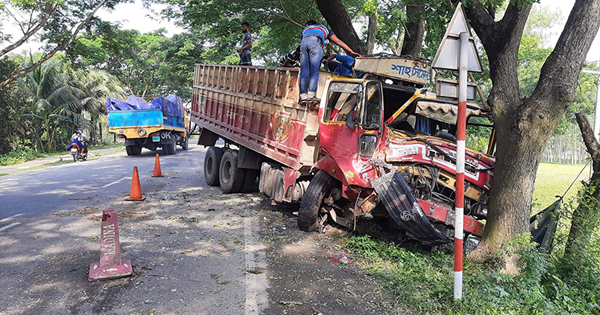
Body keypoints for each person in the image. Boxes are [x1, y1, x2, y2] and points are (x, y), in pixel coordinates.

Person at [299, 20, 360, 104]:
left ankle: (303, 96)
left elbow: (304, 42)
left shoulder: (306, 29)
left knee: (304, 70)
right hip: (315, 43)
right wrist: (351, 52)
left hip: (303, 44)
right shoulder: (324, 28)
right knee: (315, 70)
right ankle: (310, 96)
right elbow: (338, 41)